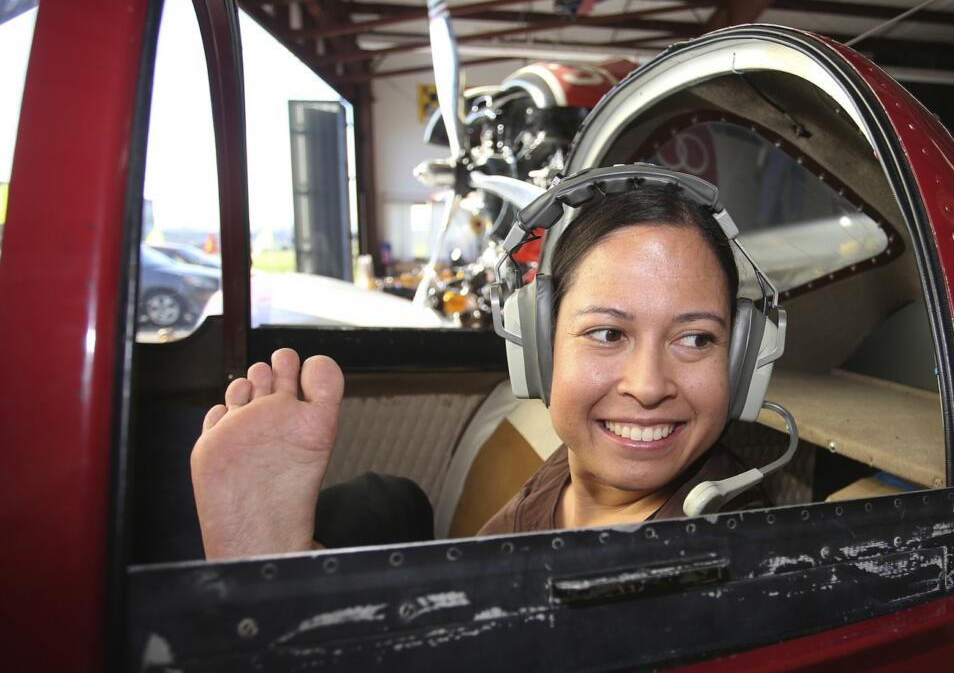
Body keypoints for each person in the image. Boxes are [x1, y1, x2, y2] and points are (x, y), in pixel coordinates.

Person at [191, 175, 772, 560]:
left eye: (696, 339)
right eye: (607, 333)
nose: (648, 386)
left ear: (743, 358)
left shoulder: (725, 551)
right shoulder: (566, 473)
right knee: (383, 500)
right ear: (539, 346)